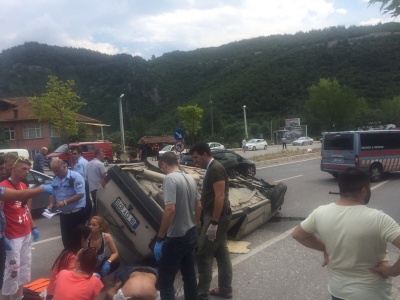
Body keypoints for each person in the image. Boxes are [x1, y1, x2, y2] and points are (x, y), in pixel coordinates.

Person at [292, 167, 400, 300]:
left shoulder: (320, 213)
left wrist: (324, 247)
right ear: (364, 191)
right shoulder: (379, 218)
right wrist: (392, 271)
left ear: (341, 190)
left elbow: (298, 234)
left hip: (338, 292)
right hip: (373, 294)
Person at [154, 152, 201, 300]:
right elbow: (199, 205)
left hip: (177, 237)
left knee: (165, 282)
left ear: (164, 165)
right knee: (189, 275)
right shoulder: (190, 178)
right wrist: (195, 222)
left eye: (162, 168)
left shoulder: (170, 179)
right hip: (191, 232)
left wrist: (160, 238)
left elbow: (170, 209)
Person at [190, 142, 233, 300]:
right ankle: (225, 289)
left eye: (196, 157)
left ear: (204, 154)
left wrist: (214, 223)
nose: (195, 161)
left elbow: (220, 196)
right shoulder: (211, 168)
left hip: (217, 217)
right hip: (214, 216)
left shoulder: (215, 168)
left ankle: (201, 293)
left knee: (204, 253)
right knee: (221, 252)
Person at [0, 156, 41, 300]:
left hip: (25, 233)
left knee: (24, 267)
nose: (27, 171)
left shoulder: (24, 186)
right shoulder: (4, 187)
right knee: (11, 270)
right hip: (12, 235)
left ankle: (19, 297)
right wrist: (2, 235)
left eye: (29, 169)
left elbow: (26, 209)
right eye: (24, 169)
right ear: (13, 168)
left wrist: (33, 226)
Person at [46, 224, 92, 300]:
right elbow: (74, 281)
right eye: (88, 239)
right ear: (82, 239)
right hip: (55, 295)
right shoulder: (73, 257)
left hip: (52, 292)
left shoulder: (66, 252)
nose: (88, 241)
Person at [49, 158, 87, 248]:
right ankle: (69, 260)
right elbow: (52, 194)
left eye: (57, 171)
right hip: (64, 215)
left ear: (64, 167)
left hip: (77, 214)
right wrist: (51, 204)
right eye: (54, 171)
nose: (56, 173)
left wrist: (65, 202)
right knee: (66, 241)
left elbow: (80, 194)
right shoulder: (55, 178)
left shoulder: (75, 177)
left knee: (78, 240)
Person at [71, 147, 91, 221]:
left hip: (82, 182)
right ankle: (89, 215)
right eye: (72, 153)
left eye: (75, 153)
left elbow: (78, 174)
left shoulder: (79, 163)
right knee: (87, 198)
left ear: (79, 154)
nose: (73, 155)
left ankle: (86, 215)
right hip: (86, 181)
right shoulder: (85, 160)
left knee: (84, 199)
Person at [86, 149, 106, 216]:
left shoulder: (88, 164)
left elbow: (86, 176)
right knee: (101, 206)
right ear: (98, 155)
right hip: (99, 188)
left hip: (92, 188)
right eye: (103, 155)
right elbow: (104, 177)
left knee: (95, 204)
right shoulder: (100, 164)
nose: (104, 156)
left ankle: (91, 220)